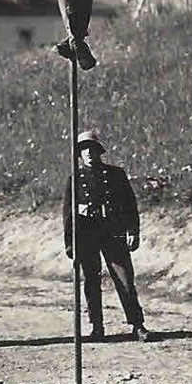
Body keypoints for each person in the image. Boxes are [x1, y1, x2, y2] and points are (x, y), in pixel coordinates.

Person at [63, 131, 152, 342]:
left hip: (112, 230)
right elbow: (68, 213)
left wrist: (133, 230)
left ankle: (137, 325)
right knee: (91, 281)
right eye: (84, 149)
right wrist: (70, 243)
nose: (88, 153)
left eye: (92, 149)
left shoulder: (115, 174)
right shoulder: (74, 179)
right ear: (79, 154)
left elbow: (130, 205)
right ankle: (97, 327)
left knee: (124, 279)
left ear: (99, 152)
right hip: (86, 233)